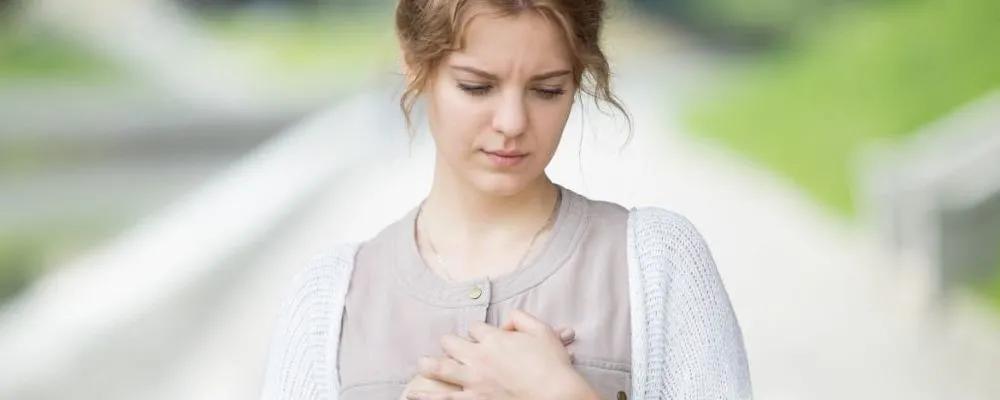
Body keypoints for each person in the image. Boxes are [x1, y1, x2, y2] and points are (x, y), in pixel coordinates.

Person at [260, 1, 752, 399]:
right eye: (477, 87)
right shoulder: (330, 300)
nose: (512, 122)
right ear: (415, 67)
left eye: (547, 90)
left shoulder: (659, 262)